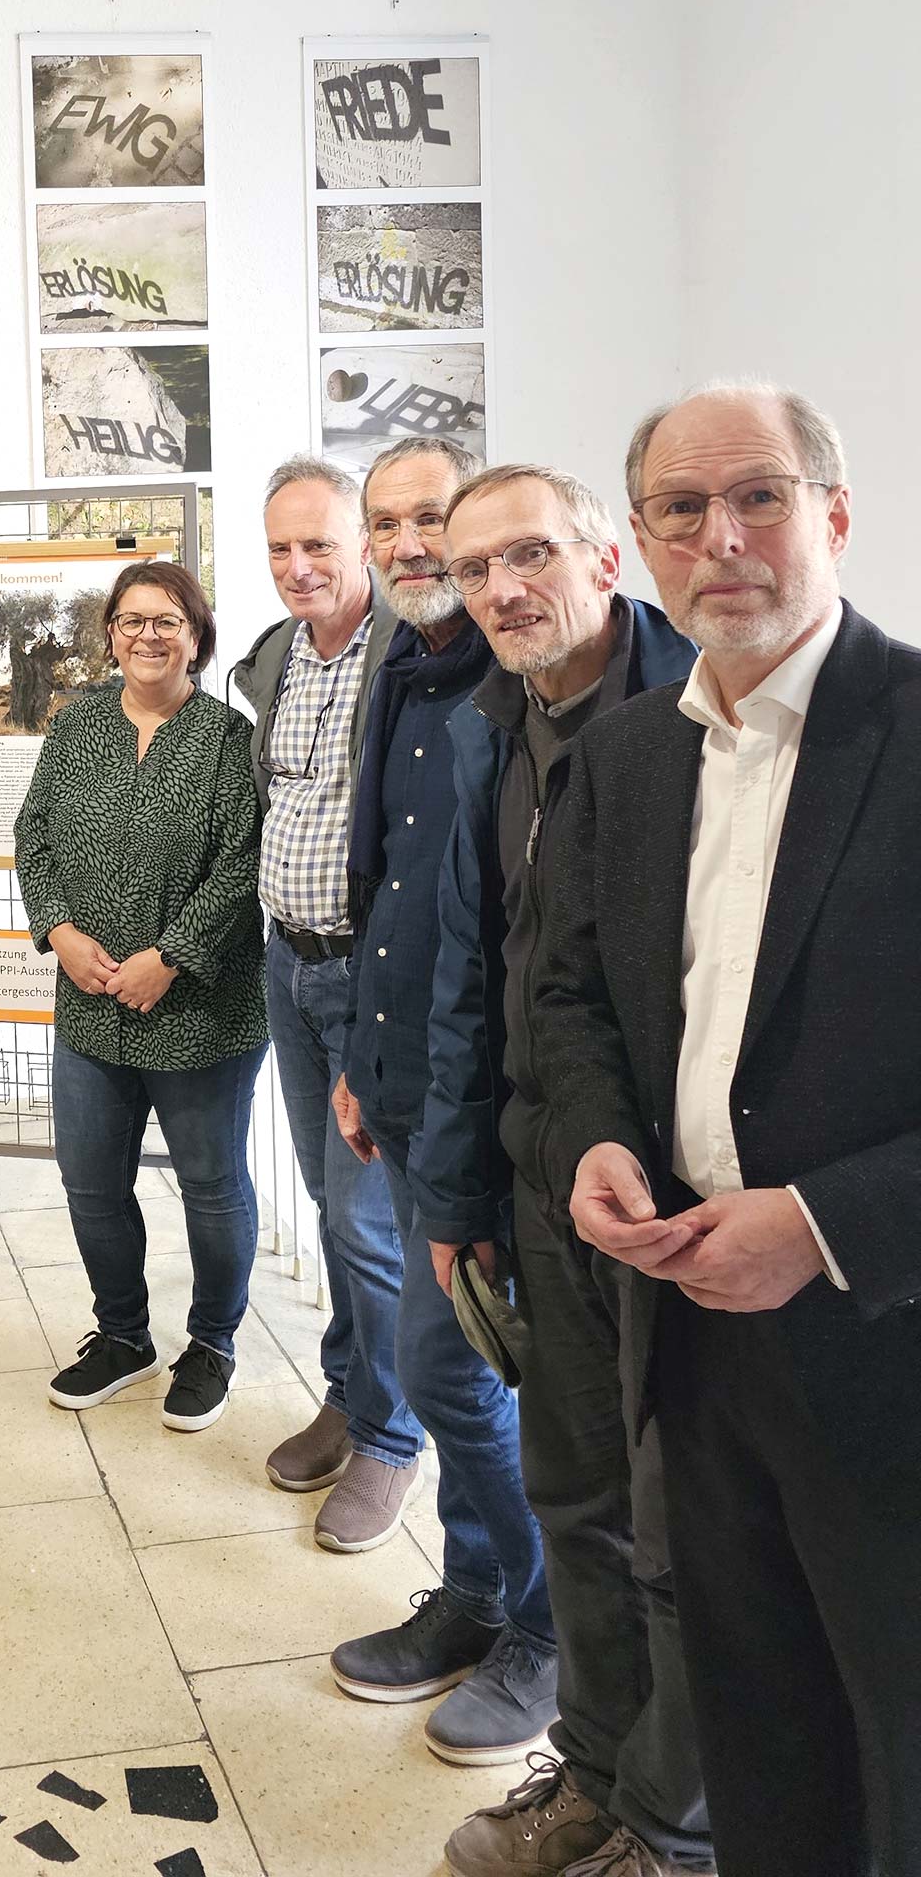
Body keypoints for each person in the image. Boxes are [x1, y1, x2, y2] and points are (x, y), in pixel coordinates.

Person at [533, 385, 921, 1877]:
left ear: (833, 512)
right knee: (763, 1734)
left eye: (758, 496)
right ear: (640, 544)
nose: (723, 539)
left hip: (886, 1342)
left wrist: (823, 1223)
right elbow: (568, 997)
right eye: (682, 511)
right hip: (691, 1338)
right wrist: (592, 1143)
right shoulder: (630, 759)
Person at [412, 465, 709, 1876]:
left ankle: (677, 1824)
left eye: (530, 552)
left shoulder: (702, 714)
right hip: (546, 1180)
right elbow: (483, 978)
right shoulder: (499, 724)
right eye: (476, 570)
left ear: (606, 547)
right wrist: (457, 1193)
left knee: (685, 1534)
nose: (505, 589)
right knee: (577, 1501)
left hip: (683, 1209)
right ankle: (594, 1773)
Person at [318, 437, 557, 1767]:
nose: (409, 542)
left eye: (433, 518)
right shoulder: (399, 673)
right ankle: (474, 1593)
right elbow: (387, 899)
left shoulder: (516, 681)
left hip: (498, 1107)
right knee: (444, 1362)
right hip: (402, 1086)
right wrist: (358, 1052)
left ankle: (546, 1623)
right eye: (389, 521)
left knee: (454, 1372)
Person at [16, 561, 266, 1432]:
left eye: (168, 620)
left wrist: (173, 955)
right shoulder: (77, 725)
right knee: (90, 1183)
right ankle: (122, 1335)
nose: (148, 635)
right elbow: (34, 834)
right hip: (88, 1003)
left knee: (211, 1183)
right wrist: (57, 931)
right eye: (131, 620)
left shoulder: (230, 740)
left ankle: (213, 1344)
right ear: (110, 634)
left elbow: (243, 865)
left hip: (202, 1009)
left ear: (196, 634)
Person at [230, 458, 402, 1536]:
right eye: (281, 549)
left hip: (369, 977)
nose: (299, 567)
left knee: (367, 1217)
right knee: (326, 1201)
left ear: (366, 546)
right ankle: (351, 1387)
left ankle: (393, 1437)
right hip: (287, 967)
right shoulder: (280, 658)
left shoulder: (409, 658)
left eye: (320, 546)